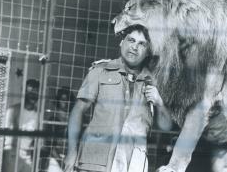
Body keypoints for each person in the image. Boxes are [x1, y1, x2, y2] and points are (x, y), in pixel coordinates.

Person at [63, 25, 172, 172]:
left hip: (132, 164)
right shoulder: (100, 71)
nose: (134, 47)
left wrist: (160, 104)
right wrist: (71, 151)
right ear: (122, 42)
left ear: (148, 52)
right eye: (131, 40)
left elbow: (166, 127)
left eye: (142, 44)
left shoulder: (153, 82)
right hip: (95, 161)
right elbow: (78, 111)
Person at [3, 79, 40, 172]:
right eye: (30, 92)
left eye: (36, 93)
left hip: (26, 156)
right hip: (11, 154)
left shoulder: (38, 115)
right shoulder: (12, 110)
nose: (33, 96)